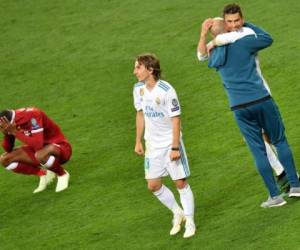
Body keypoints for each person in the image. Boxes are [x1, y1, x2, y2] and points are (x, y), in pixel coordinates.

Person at [198, 3, 300, 208]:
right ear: (227, 27)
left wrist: (205, 35)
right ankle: (296, 186)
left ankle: (275, 196)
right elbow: (267, 38)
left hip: (239, 107)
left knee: (258, 151)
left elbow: (201, 55)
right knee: (279, 141)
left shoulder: (214, 55)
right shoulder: (245, 42)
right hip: (262, 99)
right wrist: (245, 25)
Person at [133, 53, 195, 238]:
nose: (134, 71)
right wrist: (138, 140)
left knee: (180, 183)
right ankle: (178, 212)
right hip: (152, 145)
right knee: (153, 185)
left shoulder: (167, 90)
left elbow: (176, 120)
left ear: (150, 70)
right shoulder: (138, 89)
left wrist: (175, 147)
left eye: (138, 67)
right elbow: (140, 114)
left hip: (170, 143)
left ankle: (190, 221)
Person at [0, 107, 71, 193]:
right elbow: (8, 148)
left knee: (40, 154)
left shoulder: (32, 115)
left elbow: (38, 145)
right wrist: (7, 134)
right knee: (4, 160)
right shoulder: (11, 125)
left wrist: (14, 132)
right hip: (39, 151)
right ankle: (42, 173)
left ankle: (62, 174)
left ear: (8, 123)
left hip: (60, 148)